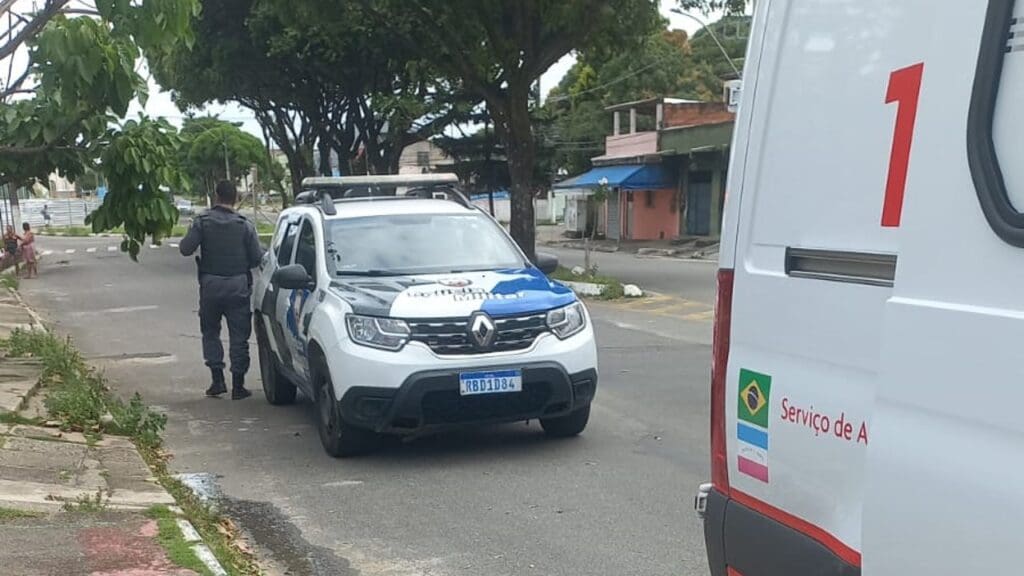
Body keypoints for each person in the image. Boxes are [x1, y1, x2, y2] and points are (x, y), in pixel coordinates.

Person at [180, 181, 263, 399]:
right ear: (235, 198)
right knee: (239, 337)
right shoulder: (244, 225)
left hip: (210, 287)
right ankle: (238, 385)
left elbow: (185, 249)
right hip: (238, 286)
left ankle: (217, 380)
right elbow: (256, 258)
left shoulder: (202, 222)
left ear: (216, 196)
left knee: (210, 332)